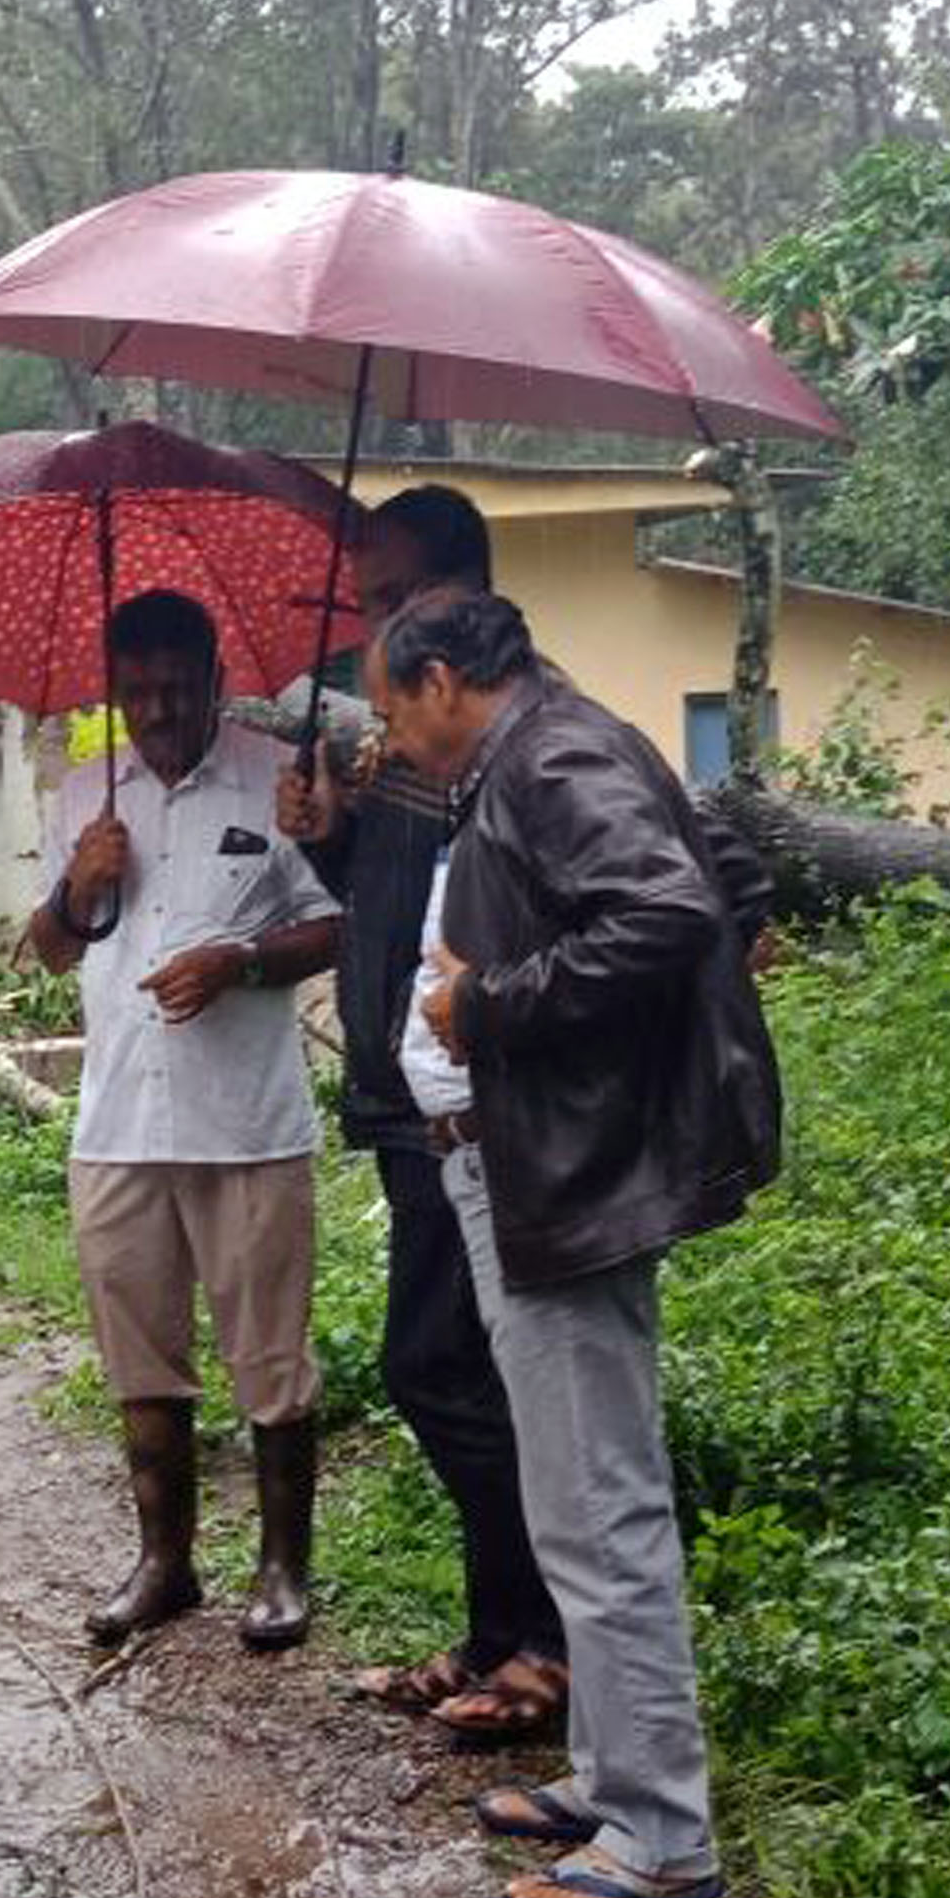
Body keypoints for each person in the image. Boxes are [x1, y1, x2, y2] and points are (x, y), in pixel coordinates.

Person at [370, 586, 781, 1898]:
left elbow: (664, 913)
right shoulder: (551, 747)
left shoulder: (551, 755)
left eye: (392, 709)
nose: (395, 739)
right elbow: (722, 877)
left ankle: (660, 1835)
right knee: (575, 1497)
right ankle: (613, 1778)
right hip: (545, 1162)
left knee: (601, 1510)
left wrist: (481, 1004)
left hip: (574, 1169)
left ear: (440, 679)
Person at [274, 488, 568, 1745]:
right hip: (406, 1102)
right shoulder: (402, 740)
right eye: (366, 603)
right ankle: (499, 1628)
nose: (373, 630)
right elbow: (397, 903)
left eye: (394, 599)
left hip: (478, 1110)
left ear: (463, 596)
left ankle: (548, 1643)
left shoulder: (510, 736)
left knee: (451, 1365)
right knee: (448, 1365)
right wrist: (335, 842)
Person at [31, 591, 344, 1652]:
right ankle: (164, 1564)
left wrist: (242, 962)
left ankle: (282, 1570)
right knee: (141, 1359)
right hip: (117, 1125)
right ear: (114, 689)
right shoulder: (85, 792)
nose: (158, 709)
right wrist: (78, 887)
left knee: (270, 1358)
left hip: (248, 1125)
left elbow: (337, 925)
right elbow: (52, 947)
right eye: (138, 690)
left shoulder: (278, 780)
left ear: (215, 679)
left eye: (177, 687)